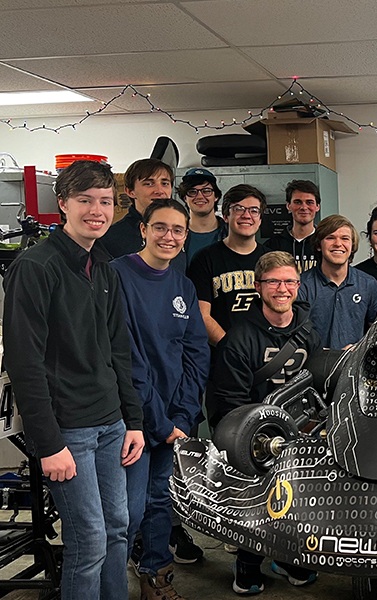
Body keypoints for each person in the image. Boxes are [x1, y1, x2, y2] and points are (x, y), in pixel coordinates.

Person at [3, 160, 145, 600]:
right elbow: (24, 363)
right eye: (85, 200)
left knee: (118, 531)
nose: (97, 210)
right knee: (89, 542)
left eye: (105, 201)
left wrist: (133, 420)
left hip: (111, 425)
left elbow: (119, 350)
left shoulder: (103, 267)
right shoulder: (35, 267)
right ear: (63, 203)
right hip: (69, 432)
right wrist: (48, 444)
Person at [112, 199, 210, 600]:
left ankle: (156, 577)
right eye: (160, 227)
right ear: (143, 229)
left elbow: (196, 352)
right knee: (128, 512)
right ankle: (111, 584)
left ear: (186, 236)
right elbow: (128, 359)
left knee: (160, 503)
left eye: (178, 230)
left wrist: (184, 417)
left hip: (173, 420)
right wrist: (159, 420)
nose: (169, 236)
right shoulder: (117, 275)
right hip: (133, 420)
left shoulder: (182, 285)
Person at [207, 251, 321, 594]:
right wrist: (253, 438)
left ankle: (288, 557)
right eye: (273, 281)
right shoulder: (238, 338)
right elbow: (228, 401)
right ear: (259, 287)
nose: (282, 288)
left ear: (298, 286)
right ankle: (248, 561)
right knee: (254, 498)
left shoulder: (308, 330)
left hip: (299, 429)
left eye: (289, 281)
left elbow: (314, 383)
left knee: (301, 495)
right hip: (251, 433)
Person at [188, 184, 270, 346]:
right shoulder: (204, 258)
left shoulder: (272, 259)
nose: (247, 215)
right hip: (221, 353)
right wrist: (233, 350)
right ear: (225, 216)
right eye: (239, 209)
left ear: (260, 219)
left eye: (254, 210)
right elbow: (202, 315)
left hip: (267, 352)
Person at [298, 215, 377, 349]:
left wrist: (359, 350)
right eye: (330, 238)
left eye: (345, 238)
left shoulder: (368, 284)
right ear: (319, 245)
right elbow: (293, 335)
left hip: (354, 365)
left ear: (352, 246)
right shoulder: (301, 285)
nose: (338, 243)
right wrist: (325, 354)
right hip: (314, 364)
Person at [102, 158, 186, 271]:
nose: (159, 190)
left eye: (165, 183)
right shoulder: (111, 238)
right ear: (130, 191)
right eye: (149, 183)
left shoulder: (180, 234)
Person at [264, 179, 320, 273]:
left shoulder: (324, 243)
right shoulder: (272, 246)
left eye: (309, 202)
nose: (304, 207)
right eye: (297, 202)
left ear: (317, 206)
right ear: (288, 206)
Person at [179, 168, 228, 264]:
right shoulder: (174, 235)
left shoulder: (231, 233)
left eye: (206, 191)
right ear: (185, 198)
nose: (200, 196)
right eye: (192, 192)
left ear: (216, 196)